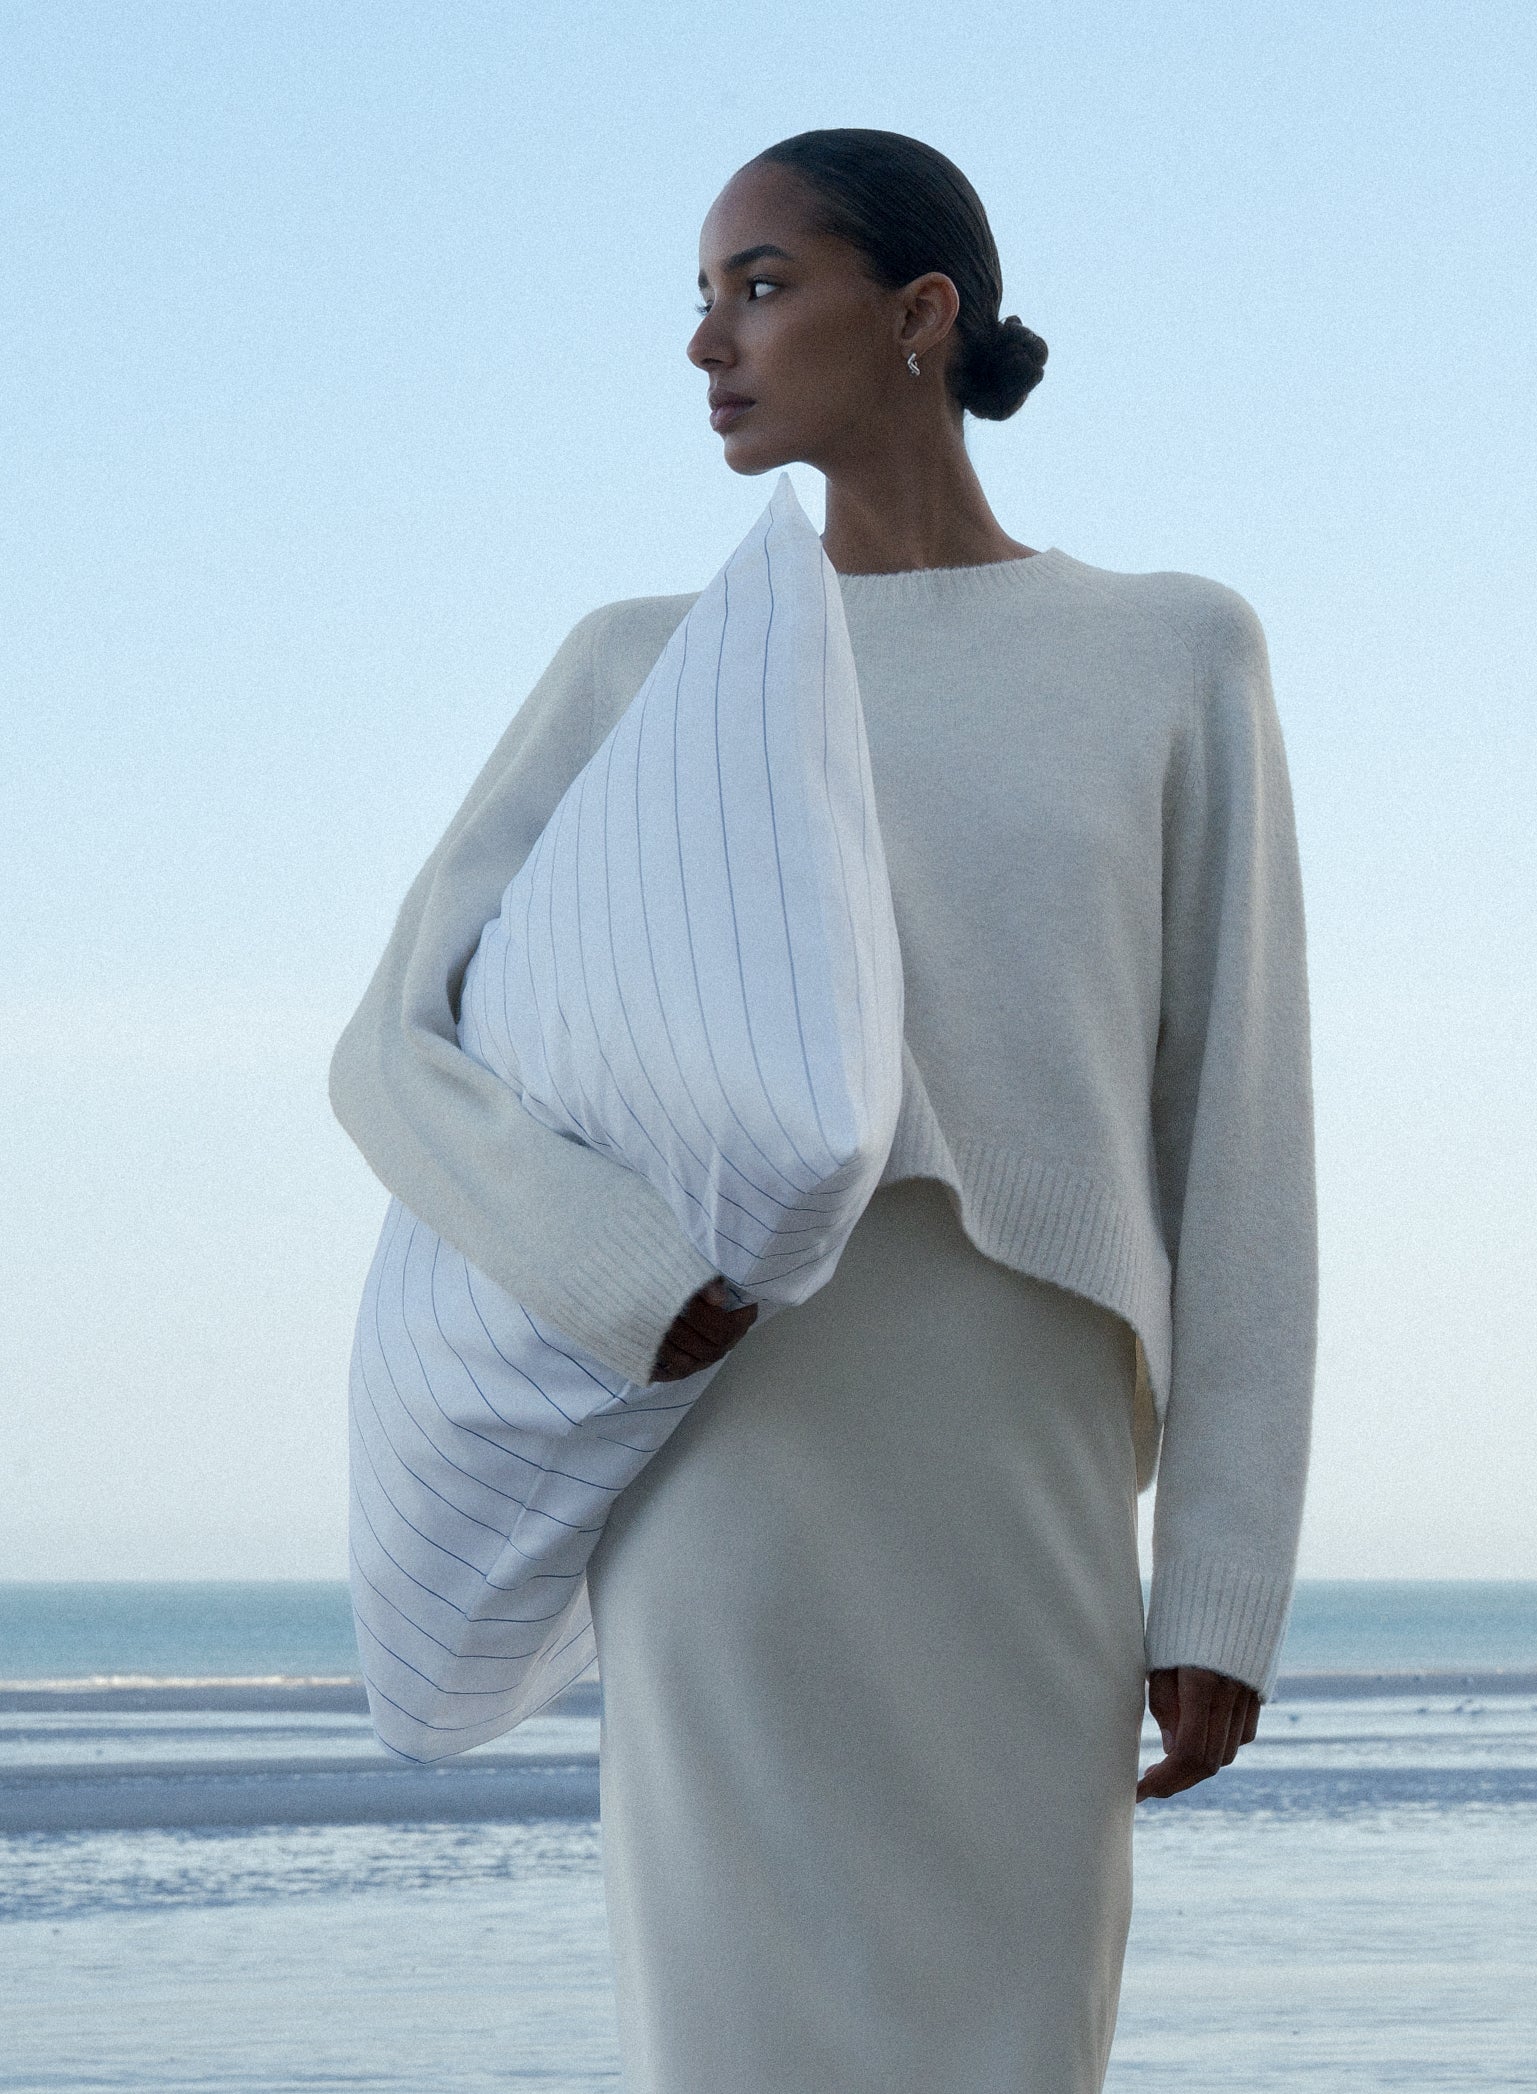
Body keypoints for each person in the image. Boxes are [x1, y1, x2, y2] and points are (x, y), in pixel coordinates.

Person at [330, 127, 1316, 2094]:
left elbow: (1243, 1144)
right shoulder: (638, 669)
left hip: (1018, 1437)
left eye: (761, 287)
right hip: (727, 1430)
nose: (711, 343)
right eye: (700, 300)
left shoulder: (1166, 650)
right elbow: (391, 1051)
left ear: (922, 313)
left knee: (1010, 2032)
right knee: (738, 2032)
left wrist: (1221, 1579)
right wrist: (617, 1268)